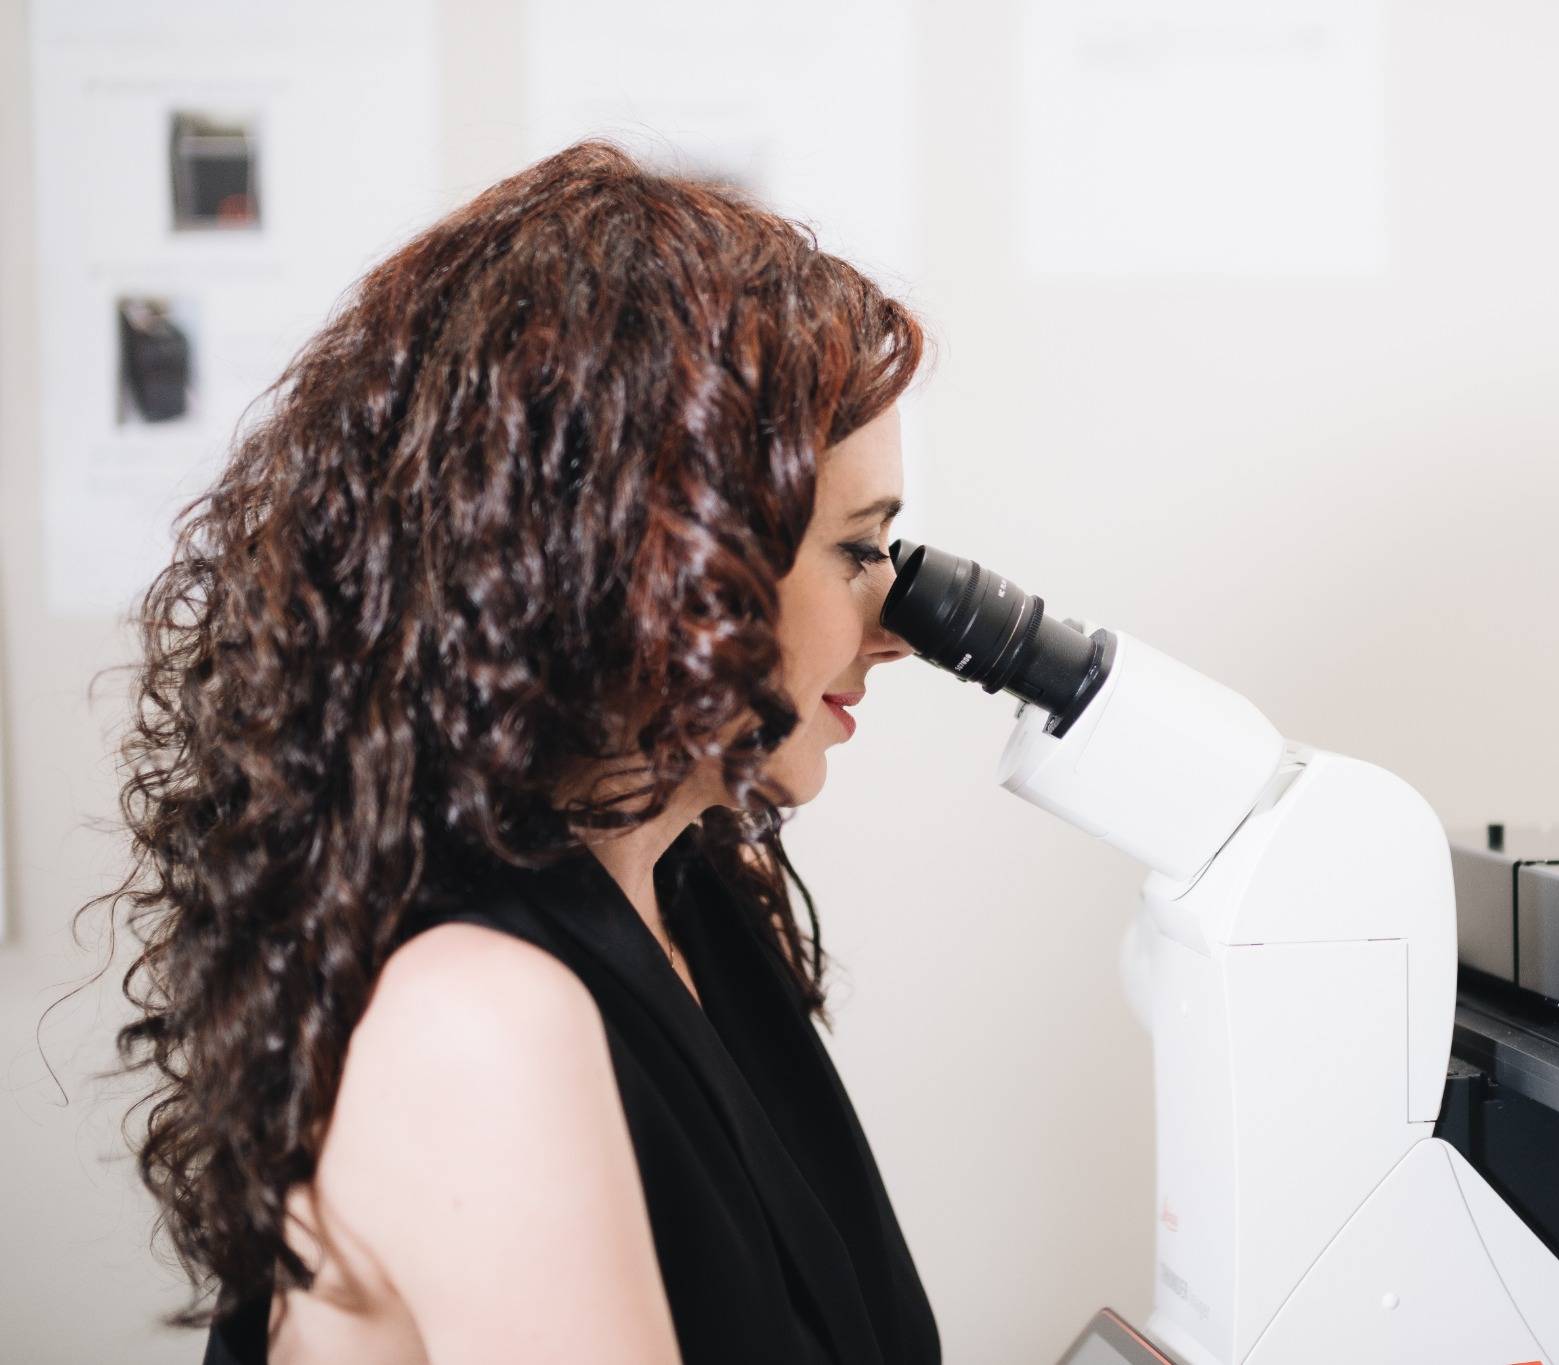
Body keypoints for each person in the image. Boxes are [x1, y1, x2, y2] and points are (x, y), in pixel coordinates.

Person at [85, 140, 941, 1364]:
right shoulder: (477, 1020)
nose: (899, 629)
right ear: (657, 569)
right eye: (857, 552)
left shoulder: (688, 906)